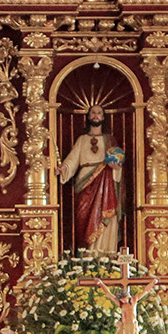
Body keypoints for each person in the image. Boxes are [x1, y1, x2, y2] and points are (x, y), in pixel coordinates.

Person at [57, 104, 124, 252]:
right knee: (83, 219)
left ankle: (105, 253)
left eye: (99, 113)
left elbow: (119, 163)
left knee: (107, 215)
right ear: (88, 116)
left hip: (106, 183)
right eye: (93, 112)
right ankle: (87, 253)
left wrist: (116, 168)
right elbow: (72, 160)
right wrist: (64, 168)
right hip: (85, 184)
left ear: (103, 117)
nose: (96, 115)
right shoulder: (82, 140)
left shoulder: (109, 140)